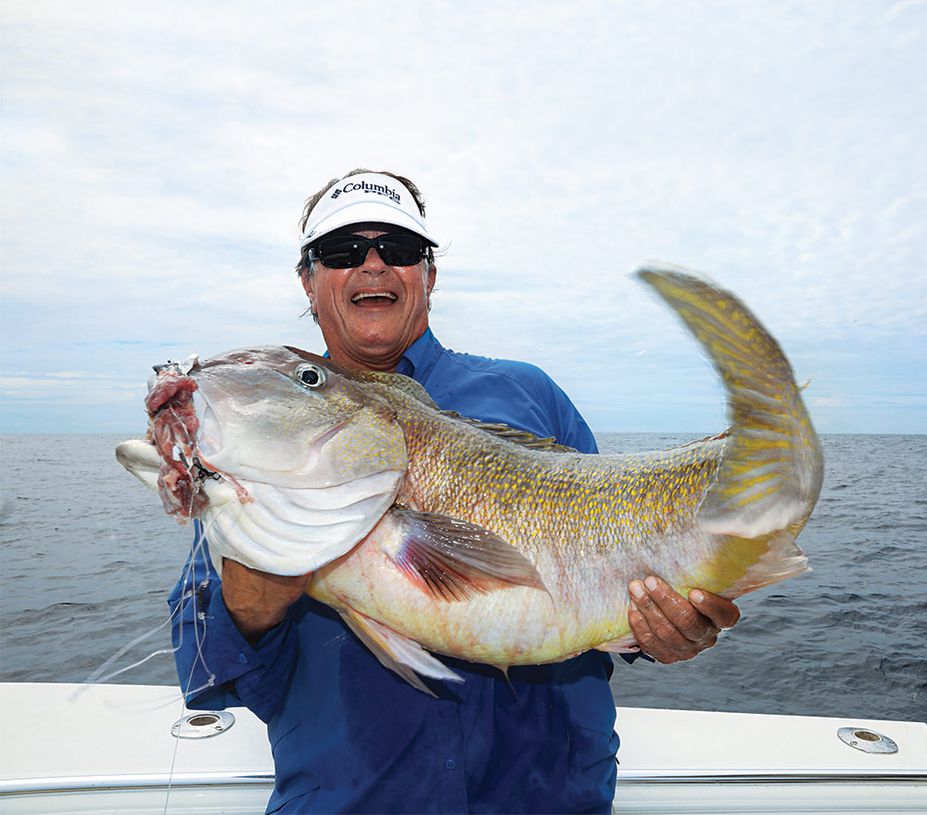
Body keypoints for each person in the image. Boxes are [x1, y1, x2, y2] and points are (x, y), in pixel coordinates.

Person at [169, 169, 741, 814]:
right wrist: (259, 584)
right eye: (342, 251)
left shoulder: (530, 394)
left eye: (399, 248)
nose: (373, 264)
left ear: (429, 273)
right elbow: (206, 667)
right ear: (308, 279)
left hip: (547, 796)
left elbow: (608, 567)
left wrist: (660, 630)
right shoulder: (264, 440)